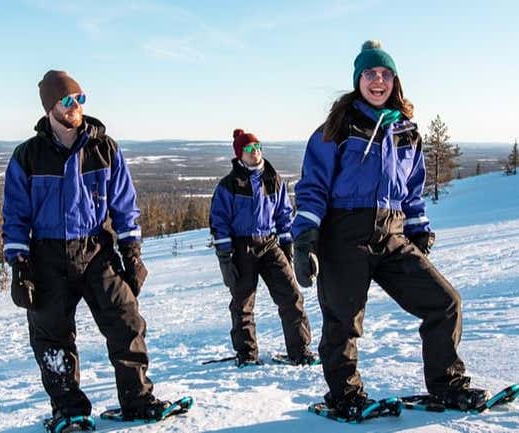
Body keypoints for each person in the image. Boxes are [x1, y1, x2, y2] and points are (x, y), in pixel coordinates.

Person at [291, 41, 488, 419]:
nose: (377, 81)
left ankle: (447, 384)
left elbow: (412, 191)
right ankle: (344, 394)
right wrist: (305, 237)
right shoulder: (338, 127)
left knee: (444, 302)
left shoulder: (406, 131)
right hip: (343, 235)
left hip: (392, 234)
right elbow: (313, 186)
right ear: (358, 80)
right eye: (370, 74)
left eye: (384, 74)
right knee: (344, 321)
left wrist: (418, 229)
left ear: (394, 81)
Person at [2, 70, 171, 429]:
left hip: (96, 249)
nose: (76, 105)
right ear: (51, 107)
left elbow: (125, 205)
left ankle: (137, 399)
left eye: (80, 98)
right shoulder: (28, 156)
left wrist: (133, 253)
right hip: (47, 255)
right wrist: (19, 265)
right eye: (67, 100)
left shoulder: (104, 148)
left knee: (126, 321)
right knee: (52, 337)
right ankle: (69, 409)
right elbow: (15, 216)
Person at [209, 129, 315, 367]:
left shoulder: (273, 179)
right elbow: (219, 221)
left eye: (257, 147)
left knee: (291, 295)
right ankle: (246, 354)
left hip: (269, 244)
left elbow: (284, 214)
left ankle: (300, 350)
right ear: (239, 155)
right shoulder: (229, 185)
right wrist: (225, 257)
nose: (255, 152)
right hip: (241, 247)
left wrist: (288, 246)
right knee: (243, 303)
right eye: (249, 149)